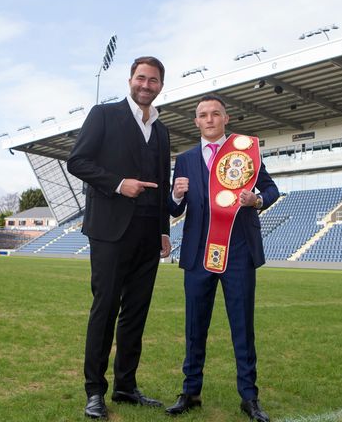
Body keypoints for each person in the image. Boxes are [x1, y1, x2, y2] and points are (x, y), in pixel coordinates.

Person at [67, 56, 171, 419]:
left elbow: (161, 183)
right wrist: (117, 184)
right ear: (130, 80)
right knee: (106, 308)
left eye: (153, 80)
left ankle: (126, 386)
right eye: (141, 78)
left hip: (147, 233)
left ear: (160, 85)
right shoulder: (104, 115)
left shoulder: (161, 129)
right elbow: (77, 161)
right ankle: (95, 391)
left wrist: (163, 230)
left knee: (136, 314)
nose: (146, 85)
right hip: (111, 230)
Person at [165, 95, 278, 422]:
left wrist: (255, 199)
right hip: (198, 254)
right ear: (196, 122)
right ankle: (191, 392)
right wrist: (175, 194)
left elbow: (271, 190)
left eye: (216, 113)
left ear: (226, 118)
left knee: (243, 327)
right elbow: (174, 208)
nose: (210, 119)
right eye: (203, 115)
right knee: (194, 327)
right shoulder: (185, 160)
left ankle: (249, 398)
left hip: (238, 252)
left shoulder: (245, 152)